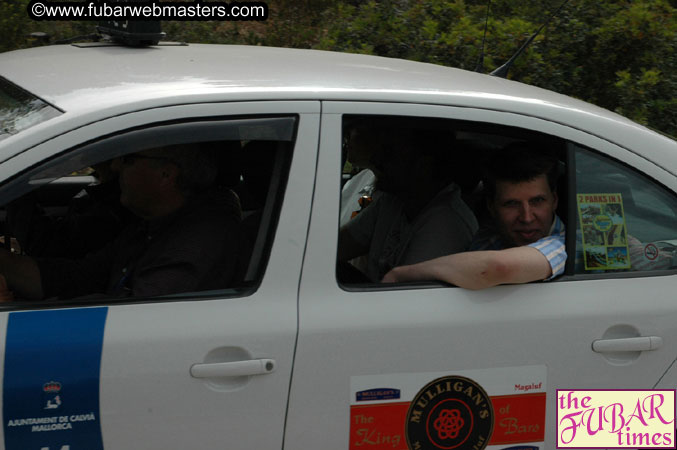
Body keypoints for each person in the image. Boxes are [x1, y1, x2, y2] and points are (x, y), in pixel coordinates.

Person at [0, 143, 242, 301]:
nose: (115, 166)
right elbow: (78, 277)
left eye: (127, 158)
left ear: (166, 175)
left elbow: (133, 318)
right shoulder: (151, 225)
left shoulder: (195, 244)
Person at [382, 143, 566, 289]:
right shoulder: (489, 238)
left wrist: (400, 275)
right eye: (511, 204)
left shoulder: (566, 244)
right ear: (491, 207)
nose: (526, 217)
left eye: (537, 201)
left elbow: (495, 269)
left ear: (554, 200)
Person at [338, 126, 478, 282]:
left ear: (423, 166)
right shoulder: (392, 201)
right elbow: (339, 247)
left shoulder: (446, 223)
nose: (377, 161)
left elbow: (401, 298)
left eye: (390, 155)